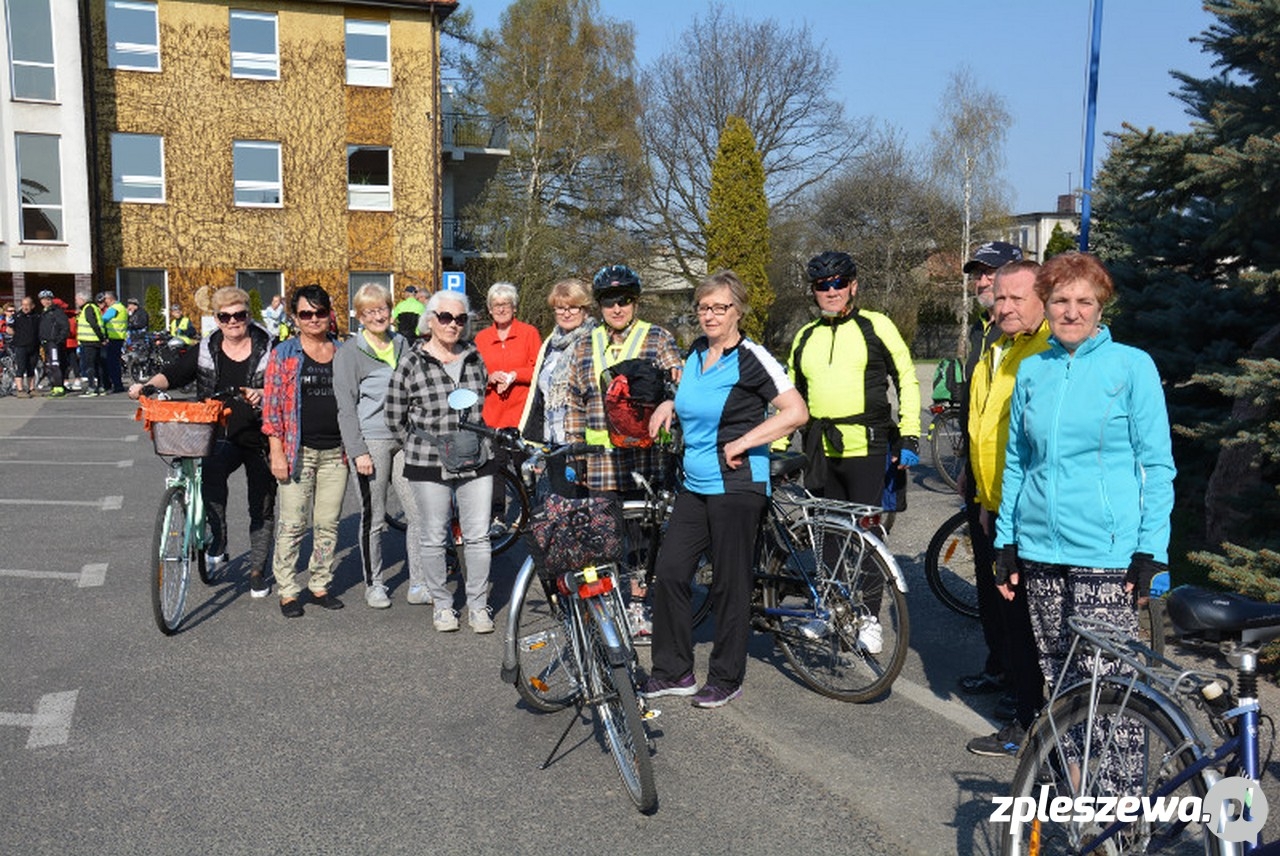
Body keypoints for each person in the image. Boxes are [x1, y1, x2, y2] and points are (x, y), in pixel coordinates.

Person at [991, 252, 1176, 758]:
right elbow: (1017, 464)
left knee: (1108, 690)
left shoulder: (1131, 366)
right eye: (1060, 301)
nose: (1072, 312)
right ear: (1045, 305)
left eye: (1084, 302)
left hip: (1105, 552)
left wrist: (1150, 550)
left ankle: (1119, 814)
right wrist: (1006, 542)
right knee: (1061, 686)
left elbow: (1157, 466)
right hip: (1039, 551)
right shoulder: (1031, 371)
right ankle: (1079, 798)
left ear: (1100, 307)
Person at [642, 271, 808, 709]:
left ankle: (726, 676)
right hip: (693, 483)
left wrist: (745, 440)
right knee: (672, 572)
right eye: (703, 307)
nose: (710, 315)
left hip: (737, 484)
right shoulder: (697, 352)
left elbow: (796, 411)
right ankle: (673, 670)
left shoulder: (752, 357)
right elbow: (689, 395)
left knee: (729, 585)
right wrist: (668, 403)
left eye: (720, 307)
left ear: (738, 311)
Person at [130, 287, 277, 596]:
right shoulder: (207, 348)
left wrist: (263, 395)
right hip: (217, 433)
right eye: (225, 316)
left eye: (239, 315)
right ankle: (218, 537)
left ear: (249, 316)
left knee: (261, 502)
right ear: (217, 319)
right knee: (210, 474)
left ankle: (257, 568)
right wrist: (146, 385)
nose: (233, 322)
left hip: (261, 435)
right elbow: (174, 373)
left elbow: (284, 389)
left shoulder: (270, 349)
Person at [960, 260, 1051, 757]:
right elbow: (983, 426)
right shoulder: (996, 347)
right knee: (1007, 615)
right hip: (994, 500)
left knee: (1025, 620)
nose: (1006, 306)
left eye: (1017, 297)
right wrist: (979, 495)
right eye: (1000, 297)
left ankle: (1029, 721)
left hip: (1029, 510)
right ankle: (1024, 705)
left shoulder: (1047, 351)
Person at [564, 264, 683, 637]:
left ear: (635, 302)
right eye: (610, 301)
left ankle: (636, 608)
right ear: (599, 305)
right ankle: (605, 606)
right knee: (603, 539)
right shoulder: (584, 344)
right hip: (599, 463)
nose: (618, 308)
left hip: (644, 457)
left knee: (641, 539)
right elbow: (572, 400)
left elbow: (679, 379)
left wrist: (672, 396)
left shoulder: (657, 338)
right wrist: (573, 451)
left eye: (625, 301)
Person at [384, 290, 496, 633]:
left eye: (460, 319)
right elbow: (393, 414)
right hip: (427, 459)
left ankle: (477, 605)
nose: (453, 325)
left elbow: (485, 405)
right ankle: (443, 605)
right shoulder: (411, 362)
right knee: (433, 536)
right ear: (430, 320)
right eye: (446, 318)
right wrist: (418, 444)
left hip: (476, 457)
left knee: (478, 536)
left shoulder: (476, 358)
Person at [787, 251, 920, 508]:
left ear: (853, 286)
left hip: (867, 448)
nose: (832, 291)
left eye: (839, 283)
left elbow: (906, 378)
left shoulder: (877, 325)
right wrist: (778, 446)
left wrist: (910, 434)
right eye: (822, 285)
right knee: (826, 539)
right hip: (820, 452)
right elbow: (791, 396)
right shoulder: (805, 335)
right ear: (814, 291)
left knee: (865, 538)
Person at [955, 241, 1026, 705]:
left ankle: (1023, 690)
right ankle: (999, 667)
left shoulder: (1028, 340)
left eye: (992, 274)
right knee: (987, 585)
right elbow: (975, 411)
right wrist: (966, 464)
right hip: (982, 482)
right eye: (979, 276)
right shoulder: (985, 335)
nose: (983, 283)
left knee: (1012, 596)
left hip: (1014, 487)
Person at [334, 282, 420, 609]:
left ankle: (420, 582)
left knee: (418, 513)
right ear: (359, 316)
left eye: (382, 308)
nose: (377, 316)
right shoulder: (350, 353)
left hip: (406, 438)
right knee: (375, 518)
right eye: (369, 311)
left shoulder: (403, 344)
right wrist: (358, 452)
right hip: (372, 440)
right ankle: (375, 583)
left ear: (390, 309)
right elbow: (345, 406)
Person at [262, 284, 347, 618]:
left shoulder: (343, 351)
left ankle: (319, 584)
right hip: (298, 451)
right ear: (295, 317)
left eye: (320, 312)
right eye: (306, 314)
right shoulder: (284, 353)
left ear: (329, 313)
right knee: (293, 524)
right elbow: (271, 408)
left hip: (335, 453)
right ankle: (287, 589)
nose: (314, 319)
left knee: (327, 523)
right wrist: (277, 451)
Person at [518, 278, 596, 444]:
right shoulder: (550, 344)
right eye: (560, 308)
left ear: (585, 310)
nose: (566, 314)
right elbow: (537, 396)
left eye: (573, 308)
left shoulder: (595, 340)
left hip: (582, 441)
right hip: (550, 439)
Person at [474, 282, 541, 430]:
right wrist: (490, 377)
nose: (501, 309)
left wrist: (515, 375)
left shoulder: (529, 333)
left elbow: (539, 371)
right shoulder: (481, 338)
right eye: (496, 305)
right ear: (490, 310)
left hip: (523, 417)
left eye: (506, 304)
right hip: (491, 418)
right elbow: (474, 374)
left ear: (514, 307)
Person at [37, 291, 70, 397]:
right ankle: (54, 385)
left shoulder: (57, 312)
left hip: (54, 343)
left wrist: (58, 340)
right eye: (43, 300)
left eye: (48, 299)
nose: (46, 302)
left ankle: (59, 387)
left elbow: (65, 327)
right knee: (49, 365)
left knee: (55, 364)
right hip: (46, 343)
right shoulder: (44, 312)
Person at [76, 294, 107, 397]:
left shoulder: (88, 308)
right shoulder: (94, 307)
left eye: (77, 299)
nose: (76, 302)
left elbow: (93, 323)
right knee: (98, 364)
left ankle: (92, 388)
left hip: (90, 341)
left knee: (90, 365)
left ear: (82, 299)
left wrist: (101, 338)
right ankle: (101, 386)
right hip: (95, 340)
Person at [9, 297, 40, 397]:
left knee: (31, 367)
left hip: (34, 346)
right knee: (21, 368)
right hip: (20, 346)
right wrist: (17, 335)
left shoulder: (36, 316)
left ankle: (32, 389)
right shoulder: (16, 316)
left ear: (32, 306)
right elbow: (9, 329)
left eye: (28, 305)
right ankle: (20, 390)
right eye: (24, 305)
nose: (25, 307)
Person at [100, 291, 127, 393]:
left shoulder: (115, 308)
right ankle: (117, 384)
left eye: (106, 299)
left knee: (112, 363)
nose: (105, 301)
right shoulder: (121, 307)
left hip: (114, 338)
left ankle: (117, 385)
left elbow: (103, 319)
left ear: (110, 299)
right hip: (118, 338)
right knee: (114, 362)